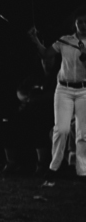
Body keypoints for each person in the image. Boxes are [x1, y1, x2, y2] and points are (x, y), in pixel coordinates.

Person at [28, 12, 86, 182]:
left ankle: (82, 171)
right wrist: (35, 40)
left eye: (85, 22)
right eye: (79, 22)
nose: (83, 25)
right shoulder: (65, 40)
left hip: (84, 90)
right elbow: (46, 54)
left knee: (83, 133)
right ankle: (54, 168)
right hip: (64, 89)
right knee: (61, 129)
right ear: (75, 24)